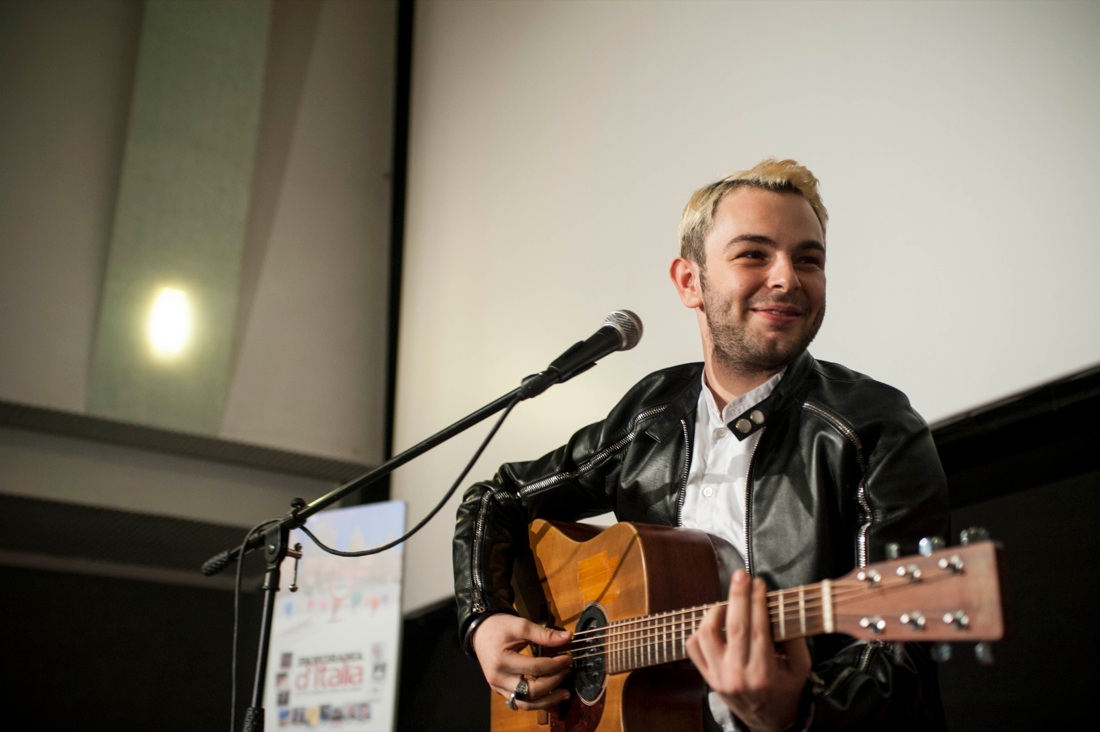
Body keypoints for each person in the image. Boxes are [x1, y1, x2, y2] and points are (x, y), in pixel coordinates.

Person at [452, 159, 950, 731]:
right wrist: (483, 620)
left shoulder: (874, 428)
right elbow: (497, 498)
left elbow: (900, 660)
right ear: (689, 281)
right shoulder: (650, 417)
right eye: (754, 254)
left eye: (808, 259)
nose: (787, 278)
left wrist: (800, 709)